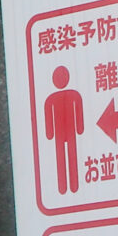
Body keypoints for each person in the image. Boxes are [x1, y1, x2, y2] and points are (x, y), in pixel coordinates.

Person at [45, 66, 85, 194]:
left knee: (70, 156)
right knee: (61, 158)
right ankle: (63, 188)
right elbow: (48, 116)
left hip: (69, 132)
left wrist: (80, 128)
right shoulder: (51, 99)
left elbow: (79, 112)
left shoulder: (74, 95)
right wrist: (50, 134)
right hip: (60, 134)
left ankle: (74, 186)